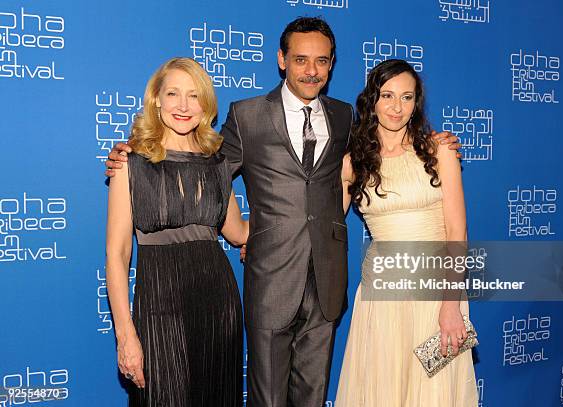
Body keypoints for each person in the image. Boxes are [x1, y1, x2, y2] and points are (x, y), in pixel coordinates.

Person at [105, 18, 460, 407]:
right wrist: (133, 160)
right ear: (281, 59)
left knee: (316, 394)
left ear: (331, 64)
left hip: (327, 280)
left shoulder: (345, 118)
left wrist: (436, 142)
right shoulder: (248, 115)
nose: (311, 70)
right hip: (270, 280)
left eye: (321, 61)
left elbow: (385, 144)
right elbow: (203, 170)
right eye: (301, 59)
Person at [105, 57, 248, 406]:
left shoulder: (218, 163)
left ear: (206, 105)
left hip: (219, 304)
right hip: (159, 303)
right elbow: (117, 252)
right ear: (157, 100)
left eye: (194, 95)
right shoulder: (131, 162)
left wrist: (293, 208)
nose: (184, 106)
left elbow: (238, 233)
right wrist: (126, 336)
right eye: (173, 94)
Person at [335, 59, 478, 406]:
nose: (397, 107)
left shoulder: (438, 150)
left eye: (407, 97)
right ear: (372, 100)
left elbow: (457, 231)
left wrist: (450, 306)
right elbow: (324, 224)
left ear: (416, 103)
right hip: (382, 298)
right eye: (387, 95)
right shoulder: (353, 161)